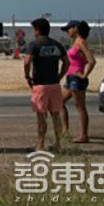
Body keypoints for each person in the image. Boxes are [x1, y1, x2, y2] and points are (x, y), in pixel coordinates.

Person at [24, 17, 70, 152]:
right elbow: (66, 62)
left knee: (41, 116)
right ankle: (58, 144)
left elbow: (27, 62)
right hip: (55, 84)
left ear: (37, 30)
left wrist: (27, 76)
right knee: (56, 115)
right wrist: (60, 76)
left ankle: (41, 144)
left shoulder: (34, 45)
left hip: (40, 85)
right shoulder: (57, 45)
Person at [61, 20, 96, 143]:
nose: (67, 32)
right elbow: (83, 59)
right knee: (60, 102)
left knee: (80, 107)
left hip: (77, 78)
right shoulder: (76, 42)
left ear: (75, 28)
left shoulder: (81, 42)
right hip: (71, 77)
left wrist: (84, 75)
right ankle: (65, 131)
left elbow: (92, 60)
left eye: (68, 29)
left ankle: (84, 135)